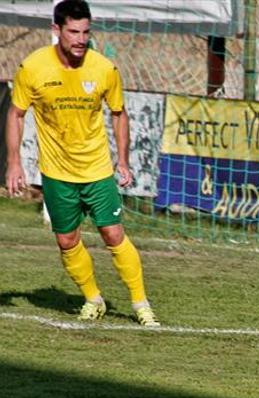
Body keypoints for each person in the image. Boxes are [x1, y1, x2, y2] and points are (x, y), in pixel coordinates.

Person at [4, 0, 160, 327]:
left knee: (112, 234)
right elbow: (16, 114)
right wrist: (14, 162)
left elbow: (119, 114)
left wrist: (124, 160)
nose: (80, 39)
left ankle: (141, 304)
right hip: (56, 172)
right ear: (56, 30)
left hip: (97, 170)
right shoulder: (33, 68)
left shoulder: (104, 68)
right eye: (73, 31)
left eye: (86, 32)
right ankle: (93, 298)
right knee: (66, 241)